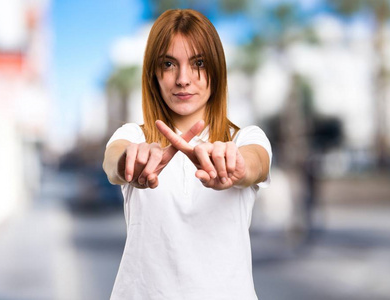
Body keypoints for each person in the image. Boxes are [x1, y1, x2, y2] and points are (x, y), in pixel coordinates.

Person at [103, 8, 272, 300]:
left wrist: (236, 166)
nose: (183, 79)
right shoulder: (133, 136)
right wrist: (130, 162)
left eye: (199, 63)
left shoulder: (245, 138)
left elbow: (256, 162)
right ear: (153, 74)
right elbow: (113, 163)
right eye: (169, 64)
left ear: (216, 71)